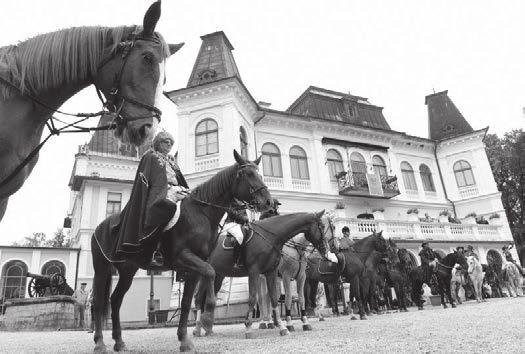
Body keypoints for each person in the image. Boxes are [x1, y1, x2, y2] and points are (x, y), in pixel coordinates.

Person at [114, 131, 190, 267]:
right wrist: (163, 191)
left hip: (177, 189)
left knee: (196, 202)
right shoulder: (150, 156)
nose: (169, 144)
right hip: (160, 192)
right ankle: (156, 249)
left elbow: (179, 179)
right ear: (157, 143)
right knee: (167, 208)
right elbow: (144, 180)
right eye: (165, 141)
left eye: (171, 142)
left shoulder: (172, 161)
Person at [220, 200, 250, 269]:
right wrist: (243, 218)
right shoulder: (231, 202)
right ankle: (236, 261)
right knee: (240, 236)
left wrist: (247, 221)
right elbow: (232, 213)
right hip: (231, 224)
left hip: (241, 224)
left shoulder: (243, 203)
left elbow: (245, 215)